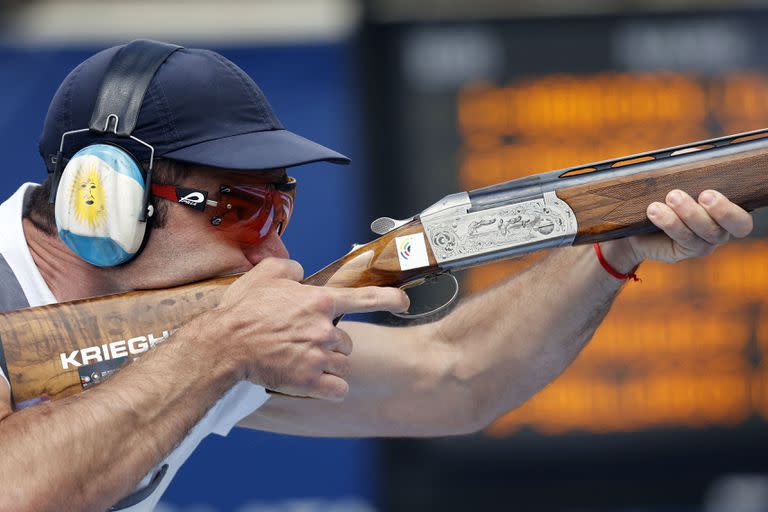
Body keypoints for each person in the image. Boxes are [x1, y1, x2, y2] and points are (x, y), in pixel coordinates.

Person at [0, 41, 754, 511]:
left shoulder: (190, 326)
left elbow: (456, 381)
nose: (274, 257)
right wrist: (214, 350)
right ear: (101, 202)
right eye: (237, 208)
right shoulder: (208, 339)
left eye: (278, 209)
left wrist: (607, 247)